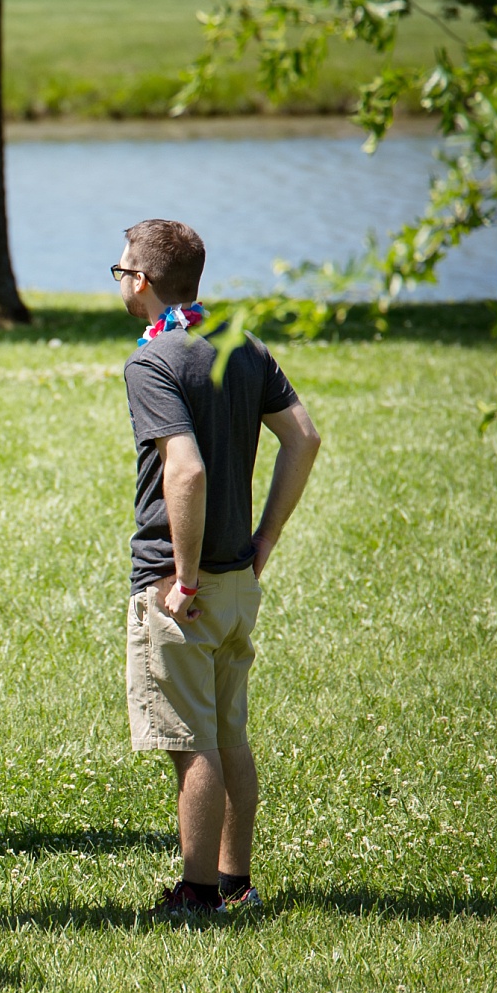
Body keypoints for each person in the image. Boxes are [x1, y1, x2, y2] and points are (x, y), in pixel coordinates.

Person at [112, 219, 319, 917]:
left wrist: (186, 578)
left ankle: (196, 892)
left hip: (182, 584)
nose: (118, 282)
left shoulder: (153, 362)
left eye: (120, 272)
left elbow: (187, 470)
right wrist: (264, 540)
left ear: (141, 282)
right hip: (238, 578)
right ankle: (236, 878)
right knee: (230, 732)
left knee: (189, 744)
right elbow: (304, 437)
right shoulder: (240, 344)